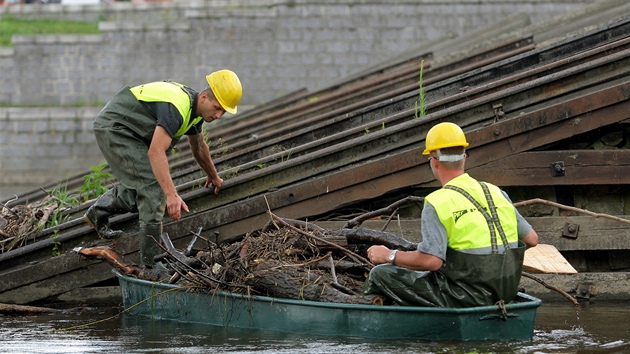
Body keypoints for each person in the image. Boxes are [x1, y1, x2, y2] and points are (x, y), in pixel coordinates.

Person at [83, 69, 242, 272]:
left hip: (133, 133)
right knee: (154, 192)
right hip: (116, 129)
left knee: (146, 189)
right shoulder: (177, 107)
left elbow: (199, 147)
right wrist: (171, 195)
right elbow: (156, 151)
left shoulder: (195, 112)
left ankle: (97, 213)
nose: (219, 115)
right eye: (217, 108)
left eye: (223, 112)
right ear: (204, 97)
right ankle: (151, 266)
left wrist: (213, 175)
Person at [364, 122, 538, 307]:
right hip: (505, 292)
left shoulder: (437, 201)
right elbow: (532, 239)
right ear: (464, 157)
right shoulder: (496, 192)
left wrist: (389, 255)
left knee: (380, 274)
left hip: (464, 296)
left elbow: (432, 262)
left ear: (434, 160)